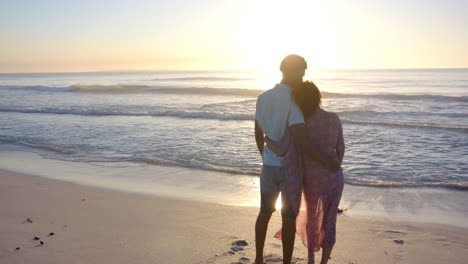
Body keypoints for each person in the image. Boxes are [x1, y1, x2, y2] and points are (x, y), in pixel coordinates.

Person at [254, 55, 339, 264]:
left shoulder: (263, 97)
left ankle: (258, 259)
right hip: (289, 168)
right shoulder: (295, 100)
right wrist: (326, 161)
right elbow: (301, 140)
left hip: (268, 166)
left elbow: (257, 132)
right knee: (289, 216)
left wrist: (265, 154)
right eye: (301, 71)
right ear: (289, 71)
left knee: (264, 211)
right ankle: (286, 262)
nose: (302, 76)